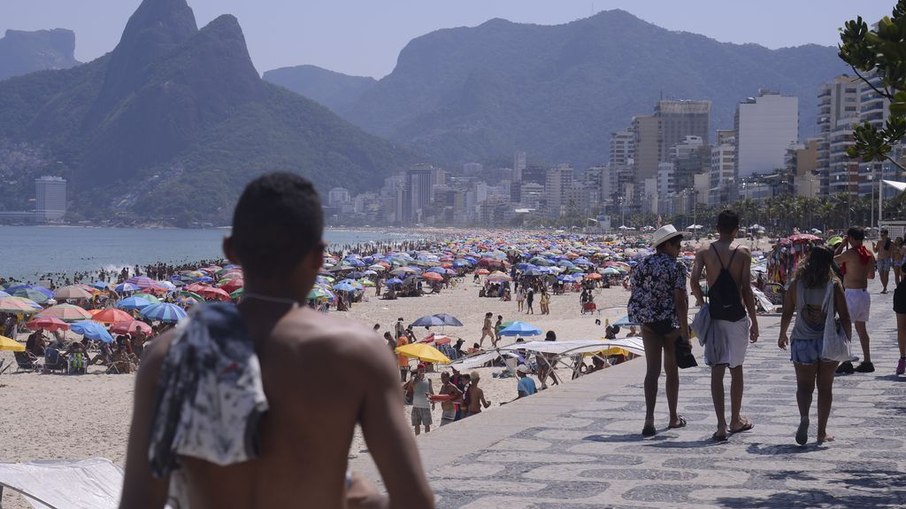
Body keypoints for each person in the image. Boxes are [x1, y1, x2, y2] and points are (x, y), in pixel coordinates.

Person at [120, 173, 433, 509]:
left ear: (231, 250)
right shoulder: (356, 354)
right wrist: (367, 502)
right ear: (318, 256)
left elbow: (140, 502)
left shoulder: (167, 355)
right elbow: (415, 502)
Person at [690, 210, 759, 441]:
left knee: (717, 371)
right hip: (737, 317)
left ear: (717, 227)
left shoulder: (705, 251)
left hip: (716, 316)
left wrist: (701, 302)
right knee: (736, 369)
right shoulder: (743, 252)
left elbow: (693, 280)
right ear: (736, 229)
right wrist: (755, 321)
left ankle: (721, 425)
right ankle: (735, 420)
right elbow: (747, 289)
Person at [778, 246, 851, 445]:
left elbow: (786, 312)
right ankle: (821, 432)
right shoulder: (834, 284)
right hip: (828, 342)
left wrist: (782, 334)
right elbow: (844, 315)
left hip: (802, 341)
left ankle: (804, 417)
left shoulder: (796, 284)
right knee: (825, 388)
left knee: (804, 387)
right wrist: (848, 341)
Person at [627, 224, 690, 437]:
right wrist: (684, 330)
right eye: (678, 245)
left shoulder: (643, 263)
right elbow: (680, 301)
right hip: (670, 324)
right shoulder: (677, 267)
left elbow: (634, 287)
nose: (680, 248)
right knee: (671, 372)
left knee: (652, 371)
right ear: (668, 245)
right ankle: (673, 417)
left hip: (649, 323)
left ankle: (649, 419)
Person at [834, 227, 876, 374]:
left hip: (852, 293)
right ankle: (867, 360)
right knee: (861, 329)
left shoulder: (850, 253)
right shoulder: (869, 254)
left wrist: (841, 244)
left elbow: (833, 259)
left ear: (851, 238)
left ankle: (846, 361)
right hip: (864, 294)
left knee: (845, 328)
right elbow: (871, 275)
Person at [406, 364, 435, 435]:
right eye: (420, 370)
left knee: (427, 424)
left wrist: (433, 402)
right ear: (417, 370)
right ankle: (418, 438)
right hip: (416, 405)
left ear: (424, 370)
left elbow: (431, 392)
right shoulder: (414, 378)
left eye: (422, 369)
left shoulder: (428, 380)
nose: (421, 371)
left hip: (425, 405)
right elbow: (412, 386)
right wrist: (417, 378)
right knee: (416, 424)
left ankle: (427, 438)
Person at [874, 229, 893, 294]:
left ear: (886, 235)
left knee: (886, 274)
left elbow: (893, 250)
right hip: (880, 259)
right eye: (881, 235)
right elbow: (875, 251)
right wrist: (873, 246)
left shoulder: (890, 242)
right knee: (881, 274)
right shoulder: (879, 242)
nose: (881, 236)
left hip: (887, 259)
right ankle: (884, 287)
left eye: (883, 235)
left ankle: (885, 288)